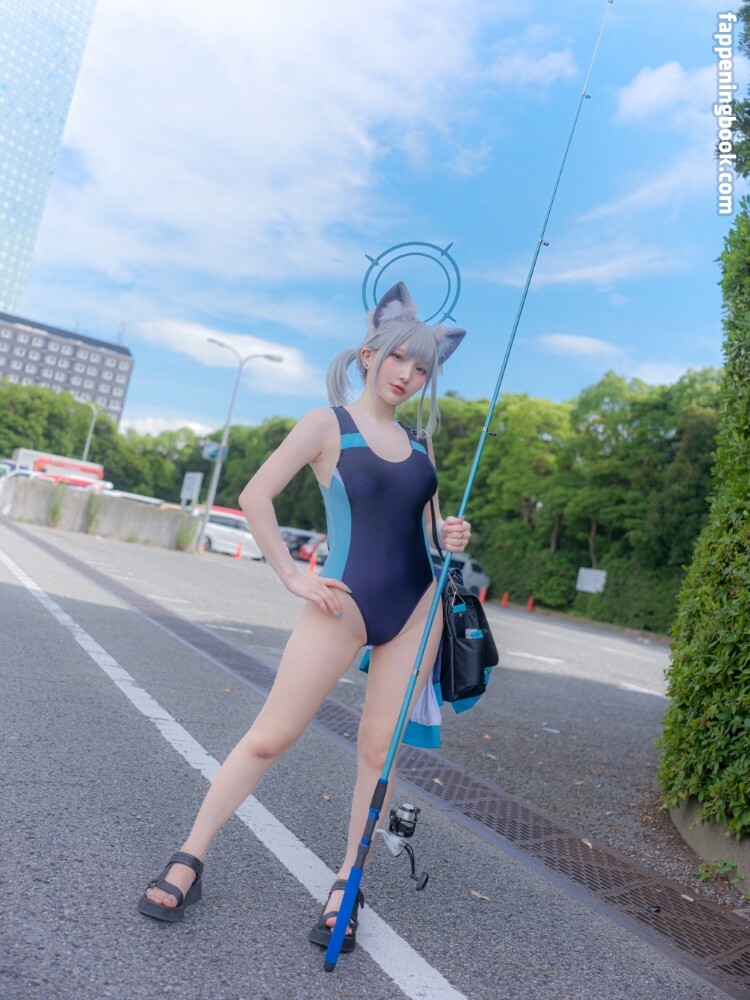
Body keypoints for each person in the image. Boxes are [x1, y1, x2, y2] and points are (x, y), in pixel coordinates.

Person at [138, 281, 471, 953]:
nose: (407, 375)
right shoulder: (328, 425)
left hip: (417, 611)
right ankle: (191, 855)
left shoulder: (421, 445)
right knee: (270, 736)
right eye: (398, 357)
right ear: (369, 353)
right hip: (341, 603)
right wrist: (292, 575)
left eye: (422, 367)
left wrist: (454, 534)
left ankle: (349, 881)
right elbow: (254, 495)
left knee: (377, 750)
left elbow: (432, 529)